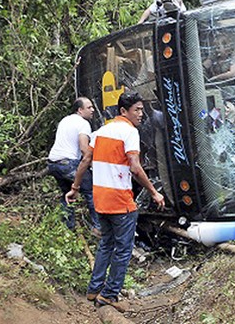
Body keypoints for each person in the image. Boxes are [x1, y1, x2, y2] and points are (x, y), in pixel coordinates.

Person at [66, 92, 165, 307]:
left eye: (141, 109)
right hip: (120, 200)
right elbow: (135, 167)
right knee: (123, 249)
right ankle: (109, 294)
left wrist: (75, 188)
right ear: (123, 111)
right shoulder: (130, 132)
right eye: (136, 110)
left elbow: (85, 161)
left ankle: (94, 290)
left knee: (106, 244)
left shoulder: (100, 131)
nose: (141, 113)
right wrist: (154, 192)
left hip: (101, 199)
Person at [47, 97, 101, 235]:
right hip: (68, 164)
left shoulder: (65, 120)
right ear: (80, 110)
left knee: (68, 194)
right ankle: (98, 228)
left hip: (53, 163)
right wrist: (94, 166)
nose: (92, 110)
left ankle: (67, 229)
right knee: (92, 191)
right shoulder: (83, 123)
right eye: (89, 107)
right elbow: (84, 149)